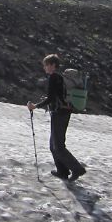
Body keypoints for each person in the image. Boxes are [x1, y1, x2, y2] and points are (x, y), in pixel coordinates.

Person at [26, 53, 86, 181]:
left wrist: (36, 106)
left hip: (59, 113)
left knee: (58, 146)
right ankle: (62, 171)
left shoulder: (54, 77)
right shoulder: (60, 78)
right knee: (54, 145)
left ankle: (77, 169)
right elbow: (55, 96)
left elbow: (51, 98)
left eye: (46, 65)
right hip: (64, 111)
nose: (44, 68)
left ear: (53, 65)